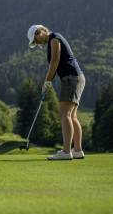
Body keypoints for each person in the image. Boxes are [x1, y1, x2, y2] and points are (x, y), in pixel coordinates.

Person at [27, 24, 86, 160]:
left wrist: (47, 81)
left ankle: (66, 152)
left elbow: (55, 60)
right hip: (76, 77)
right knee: (72, 116)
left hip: (71, 78)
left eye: (36, 40)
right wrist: (49, 81)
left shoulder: (54, 38)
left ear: (39, 31)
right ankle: (77, 150)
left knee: (65, 114)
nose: (37, 44)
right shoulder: (53, 39)